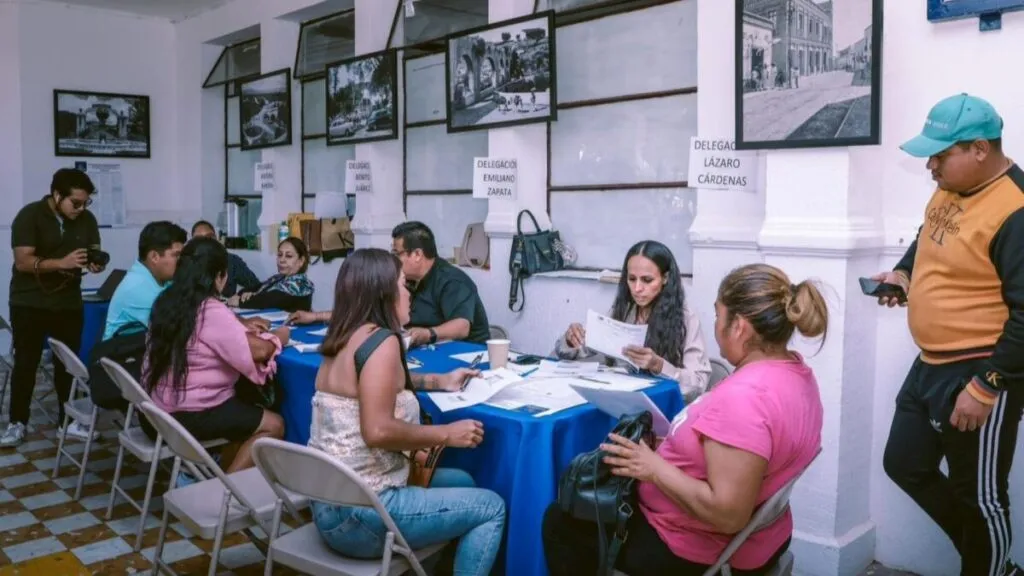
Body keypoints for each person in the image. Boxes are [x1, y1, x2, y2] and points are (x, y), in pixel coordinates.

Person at [543, 263, 827, 575]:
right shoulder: (796, 373)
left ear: (740, 327)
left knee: (560, 519)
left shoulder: (744, 397)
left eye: (718, 315)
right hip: (760, 534)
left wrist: (652, 468)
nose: (716, 325)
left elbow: (728, 514)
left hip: (686, 544)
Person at [878, 93, 1024, 576]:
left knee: (981, 498)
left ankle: (989, 565)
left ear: (980, 149)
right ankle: (988, 558)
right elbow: (927, 239)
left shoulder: (1016, 209)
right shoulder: (949, 189)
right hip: (931, 365)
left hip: (980, 371)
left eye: (940, 155)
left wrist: (986, 387)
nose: (931, 166)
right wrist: (902, 275)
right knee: (905, 463)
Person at [309, 248, 505, 575]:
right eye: (402, 284)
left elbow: (374, 384)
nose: (409, 293)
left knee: (463, 481)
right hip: (364, 513)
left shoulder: (344, 338)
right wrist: (447, 434)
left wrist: (437, 381)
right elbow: (378, 431)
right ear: (383, 293)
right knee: (491, 507)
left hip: (326, 505)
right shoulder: (384, 341)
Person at [143, 237, 287, 473]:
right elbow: (260, 351)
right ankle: (226, 490)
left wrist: (239, 322)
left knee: (242, 408)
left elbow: (208, 327)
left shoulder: (167, 301)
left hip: (158, 411)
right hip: (190, 414)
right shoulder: (209, 309)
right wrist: (280, 337)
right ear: (220, 276)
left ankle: (217, 470)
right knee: (274, 424)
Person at [4, 168, 105, 446]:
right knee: (27, 362)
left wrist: (95, 264)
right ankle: (17, 422)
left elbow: (92, 254)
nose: (81, 208)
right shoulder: (30, 215)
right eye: (75, 203)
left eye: (86, 203)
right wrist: (62, 263)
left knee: (68, 364)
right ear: (57, 195)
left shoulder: (87, 219)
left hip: (68, 301)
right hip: (29, 301)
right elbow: (23, 261)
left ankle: (68, 421)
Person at [288, 222, 491, 347]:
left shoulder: (451, 281)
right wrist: (316, 316)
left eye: (397, 253)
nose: (392, 258)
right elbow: (369, 310)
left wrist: (427, 334)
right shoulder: (400, 278)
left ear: (417, 255)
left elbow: (462, 327)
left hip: (462, 355)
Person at [554, 241, 711, 401]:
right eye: (631, 279)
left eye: (647, 280)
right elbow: (573, 353)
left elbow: (699, 384)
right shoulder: (624, 310)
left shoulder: (685, 318)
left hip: (661, 408)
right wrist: (571, 341)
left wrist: (659, 365)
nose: (637, 288)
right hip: (621, 402)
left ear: (665, 278)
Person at [103, 221, 187, 340]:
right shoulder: (138, 288)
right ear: (154, 257)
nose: (181, 261)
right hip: (120, 356)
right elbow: (179, 327)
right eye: (176, 255)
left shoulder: (162, 278)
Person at [226, 237, 313, 313]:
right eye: (279, 255)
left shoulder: (301, 284)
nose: (282, 260)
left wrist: (243, 300)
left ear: (301, 261)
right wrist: (246, 294)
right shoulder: (278, 278)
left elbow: (269, 299)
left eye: (288, 256)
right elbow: (255, 288)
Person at [191, 220, 260, 297]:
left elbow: (256, 287)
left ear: (216, 239)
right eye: (199, 239)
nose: (206, 242)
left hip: (225, 307)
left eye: (209, 237)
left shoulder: (231, 261)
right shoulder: (186, 263)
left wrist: (241, 297)